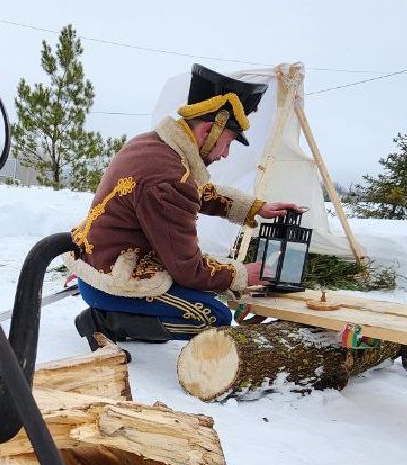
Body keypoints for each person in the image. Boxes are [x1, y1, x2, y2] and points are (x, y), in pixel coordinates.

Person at [68, 64, 302, 347]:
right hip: (114, 284)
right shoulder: (169, 177)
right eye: (228, 144)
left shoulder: (152, 146)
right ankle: (105, 320)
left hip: (99, 265)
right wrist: (242, 274)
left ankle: (135, 321)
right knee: (214, 316)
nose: (226, 154)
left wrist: (255, 208)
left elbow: (194, 191)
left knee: (208, 292)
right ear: (208, 131)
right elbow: (189, 269)